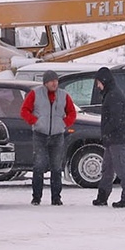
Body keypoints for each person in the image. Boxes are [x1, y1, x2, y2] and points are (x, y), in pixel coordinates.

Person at [21, 70, 78, 205]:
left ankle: (56, 198)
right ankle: (36, 197)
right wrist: (35, 121)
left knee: (56, 167)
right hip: (40, 134)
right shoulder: (35, 94)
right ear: (45, 83)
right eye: (51, 81)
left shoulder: (64, 95)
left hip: (57, 135)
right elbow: (24, 110)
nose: (54, 83)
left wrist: (63, 123)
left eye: (56, 81)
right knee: (39, 166)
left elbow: (72, 113)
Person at [92, 67, 125, 208]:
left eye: (98, 82)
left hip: (116, 138)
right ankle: (102, 197)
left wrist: (107, 133)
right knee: (107, 168)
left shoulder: (113, 95)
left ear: (104, 81)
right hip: (112, 138)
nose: (97, 86)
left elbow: (115, 119)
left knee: (121, 168)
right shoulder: (110, 94)